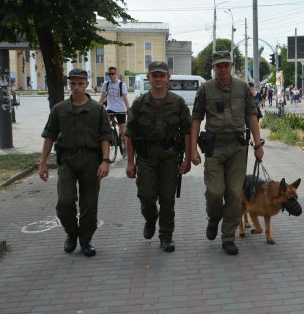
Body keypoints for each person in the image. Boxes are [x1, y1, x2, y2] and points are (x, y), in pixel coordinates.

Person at [190, 50, 264, 256]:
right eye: (218, 65)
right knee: (215, 192)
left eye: (226, 65)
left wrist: (258, 146)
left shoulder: (242, 88)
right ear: (213, 67)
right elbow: (195, 119)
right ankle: (213, 219)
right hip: (215, 147)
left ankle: (228, 236)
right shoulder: (205, 89)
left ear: (231, 66)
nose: (223, 69)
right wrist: (193, 149)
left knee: (233, 193)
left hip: (238, 147)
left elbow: (252, 116)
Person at [38, 68, 113, 257]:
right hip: (67, 161)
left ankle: (85, 240)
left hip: (91, 161)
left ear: (87, 84)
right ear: (68, 85)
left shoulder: (97, 109)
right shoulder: (60, 109)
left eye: (80, 83)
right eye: (73, 84)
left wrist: (105, 161)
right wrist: (43, 163)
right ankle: (71, 233)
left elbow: (105, 136)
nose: (76, 87)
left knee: (89, 204)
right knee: (65, 201)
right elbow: (49, 136)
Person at [125, 61, 192, 253]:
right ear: (149, 77)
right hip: (146, 156)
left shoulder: (177, 102)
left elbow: (187, 131)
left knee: (167, 197)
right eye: (154, 75)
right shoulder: (139, 103)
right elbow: (129, 133)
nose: (158, 79)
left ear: (168, 78)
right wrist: (130, 163)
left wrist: (187, 159)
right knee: (145, 195)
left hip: (170, 156)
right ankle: (151, 217)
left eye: (162, 75)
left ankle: (166, 236)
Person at [99, 66, 130, 156]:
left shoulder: (121, 85)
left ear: (116, 74)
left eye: (112, 73)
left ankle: (126, 148)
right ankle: (110, 139)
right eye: (109, 74)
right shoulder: (106, 84)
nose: (111, 75)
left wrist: (128, 109)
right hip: (110, 108)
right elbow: (102, 97)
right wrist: (98, 107)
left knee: (122, 128)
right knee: (105, 125)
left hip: (121, 108)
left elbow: (125, 98)